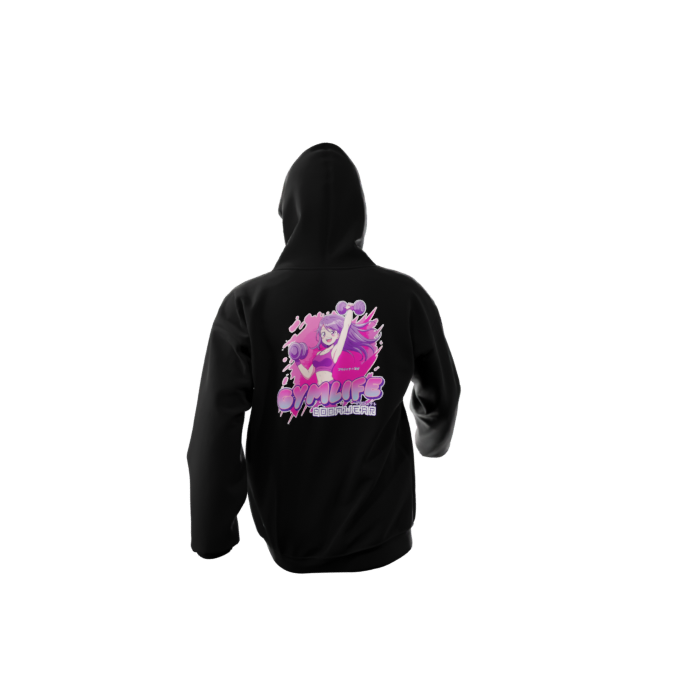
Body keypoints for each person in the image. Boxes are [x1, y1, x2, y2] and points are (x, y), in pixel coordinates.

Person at [187, 141, 461, 573]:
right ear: (361, 216)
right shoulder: (406, 295)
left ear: (287, 214)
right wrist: (431, 443)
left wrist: (212, 535)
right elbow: (444, 395)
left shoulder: (247, 304)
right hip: (385, 534)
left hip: (287, 535)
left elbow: (214, 428)